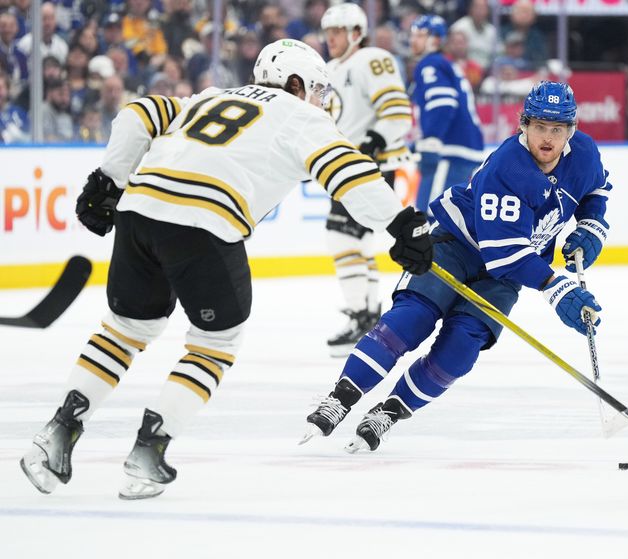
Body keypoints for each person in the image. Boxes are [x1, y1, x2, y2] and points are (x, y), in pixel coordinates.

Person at [20, 39, 433, 500]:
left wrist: (108, 178)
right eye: (316, 89)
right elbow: (348, 171)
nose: (321, 101)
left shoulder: (210, 95)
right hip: (205, 222)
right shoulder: (300, 114)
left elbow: (138, 112)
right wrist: (400, 224)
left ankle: (56, 433)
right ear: (295, 83)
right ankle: (148, 452)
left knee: (123, 331)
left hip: (138, 212)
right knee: (215, 344)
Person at [301, 81, 612, 453]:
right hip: (457, 246)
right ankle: (341, 398)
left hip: (508, 274)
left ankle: (389, 411)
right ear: (523, 125)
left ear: (571, 132)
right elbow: (504, 252)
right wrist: (556, 286)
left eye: (557, 129)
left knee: (461, 347)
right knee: (410, 319)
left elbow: (597, 188)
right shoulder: (508, 167)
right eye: (540, 127)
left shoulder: (585, 154)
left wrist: (593, 225)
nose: (548, 138)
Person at [320, 2, 414, 358]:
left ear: (356, 33)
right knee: (353, 239)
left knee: (340, 234)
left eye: (338, 32)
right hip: (343, 166)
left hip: (369, 165)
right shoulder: (328, 68)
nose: (331, 39)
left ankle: (363, 314)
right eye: (328, 32)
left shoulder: (371, 58)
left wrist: (374, 141)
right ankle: (368, 314)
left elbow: (397, 111)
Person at [410, 14, 484, 216]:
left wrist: (432, 139)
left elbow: (443, 103)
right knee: (447, 214)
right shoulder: (444, 64)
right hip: (463, 148)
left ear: (435, 40)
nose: (413, 40)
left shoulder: (430, 64)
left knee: (433, 214)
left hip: (451, 149)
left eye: (419, 35)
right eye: (413, 35)